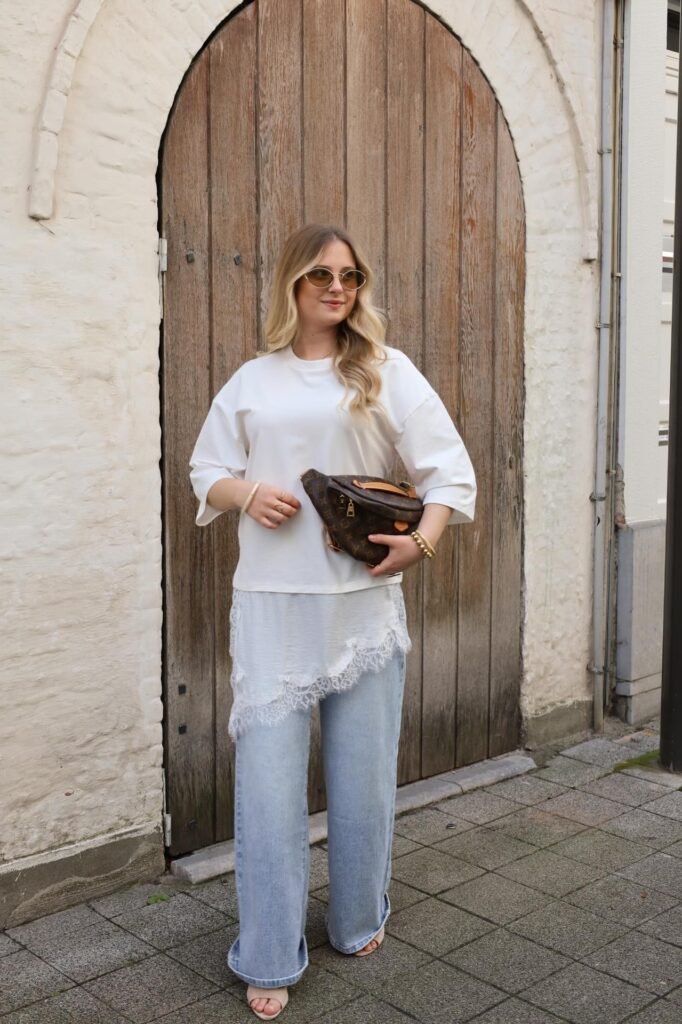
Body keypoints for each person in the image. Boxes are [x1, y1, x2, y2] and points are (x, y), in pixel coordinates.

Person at [189, 223, 476, 1020]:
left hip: (362, 607)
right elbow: (204, 470)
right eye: (320, 273)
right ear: (292, 283)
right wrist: (246, 493)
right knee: (270, 791)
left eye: (350, 275)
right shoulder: (253, 380)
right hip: (274, 610)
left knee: (362, 781)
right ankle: (271, 952)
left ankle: (356, 920)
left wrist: (420, 543)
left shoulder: (386, 372)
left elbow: (449, 471)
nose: (337, 287)